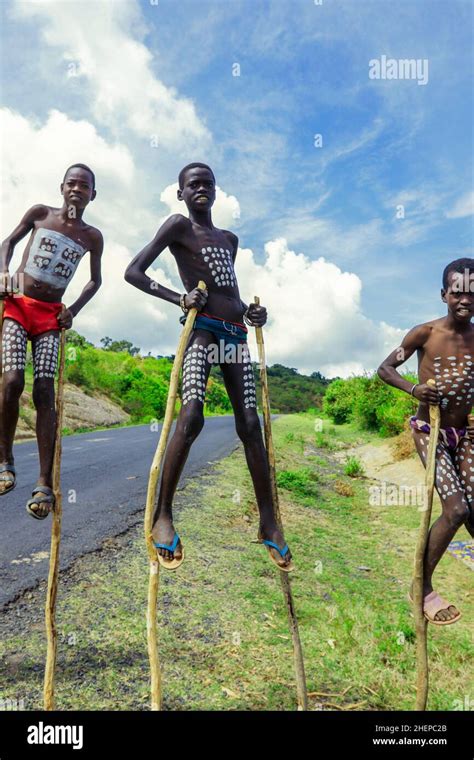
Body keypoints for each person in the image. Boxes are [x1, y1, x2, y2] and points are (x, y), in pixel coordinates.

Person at [125, 162, 292, 571]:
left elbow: (228, 289)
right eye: (192, 184)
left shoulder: (229, 239)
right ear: (181, 193)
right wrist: (178, 298)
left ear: (216, 192)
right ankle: (162, 515)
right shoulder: (178, 226)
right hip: (201, 331)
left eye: (208, 184)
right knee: (193, 413)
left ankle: (268, 522)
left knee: (251, 426)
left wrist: (253, 314)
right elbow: (133, 272)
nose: (201, 189)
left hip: (235, 332)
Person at [0, 164, 103, 518]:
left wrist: (71, 310)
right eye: (72, 183)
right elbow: (8, 242)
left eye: (84, 185)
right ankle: (5, 460)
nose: (77, 188)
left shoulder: (91, 237)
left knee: (45, 391)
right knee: (12, 381)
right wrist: (3, 275)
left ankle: (43, 481)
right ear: (62, 187)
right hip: (16, 305)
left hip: (49, 318)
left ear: (93, 194)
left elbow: (94, 282)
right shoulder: (40, 214)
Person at [378, 258, 474, 624]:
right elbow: (386, 368)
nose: (465, 300)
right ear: (444, 295)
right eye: (458, 292)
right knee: (457, 510)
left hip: (464, 435)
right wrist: (414, 388)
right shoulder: (425, 334)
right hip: (429, 431)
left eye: (473, 293)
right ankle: (422, 587)